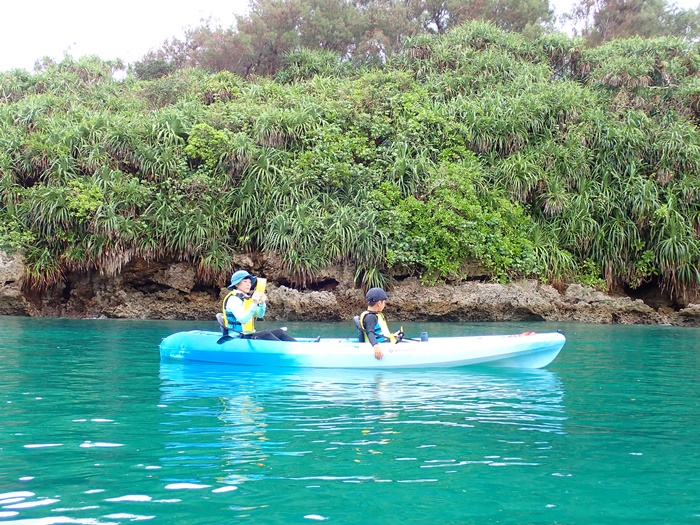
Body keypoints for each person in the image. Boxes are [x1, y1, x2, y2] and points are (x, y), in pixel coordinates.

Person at [220, 270, 295, 342]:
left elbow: (260, 315)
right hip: (237, 336)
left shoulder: (245, 298)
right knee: (266, 334)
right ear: (236, 284)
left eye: (249, 282)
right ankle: (285, 350)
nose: (248, 284)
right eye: (245, 281)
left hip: (248, 334)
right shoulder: (233, 299)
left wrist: (262, 303)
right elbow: (242, 320)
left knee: (279, 332)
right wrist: (254, 303)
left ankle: (298, 347)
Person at [358, 287, 403, 360]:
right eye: (384, 302)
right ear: (379, 303)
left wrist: (393, 336)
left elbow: (379, 334)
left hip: (385, 343)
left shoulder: (375, 315)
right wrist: (375, 346)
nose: (384, 305)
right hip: (382, 345)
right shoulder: (370, 317)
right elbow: (370, 333)